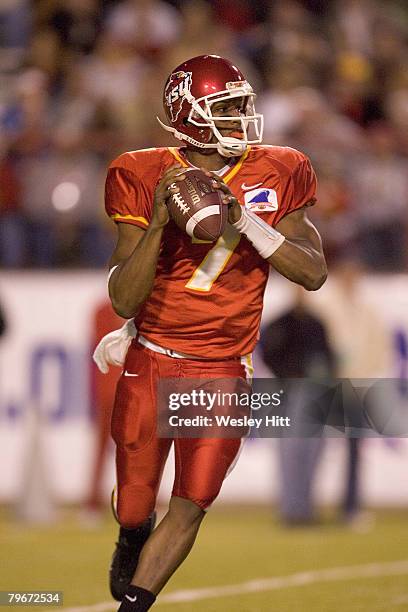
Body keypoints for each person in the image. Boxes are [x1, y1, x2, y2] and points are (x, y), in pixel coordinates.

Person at [96, 54, 327, 611]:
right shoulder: (139, 170)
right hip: (152, 355)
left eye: (244, 104)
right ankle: (131, 534)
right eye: (227, 107)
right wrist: (156, 223)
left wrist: (246, 221)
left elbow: (313, 272)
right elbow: (124, 295)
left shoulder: (280, 167)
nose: (243, 117)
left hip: (223, 364)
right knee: (133, 506)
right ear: (188, 114)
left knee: (193, 500)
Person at [260, 286, 336, 525]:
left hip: (314, 395)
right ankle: (292, 509)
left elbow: (328, 356)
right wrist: (287, 376)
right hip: (290, 394)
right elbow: (268, 354)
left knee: (312, 452)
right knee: (291, 453)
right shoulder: (281, 323)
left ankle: (304, 507)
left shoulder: (316, 323)